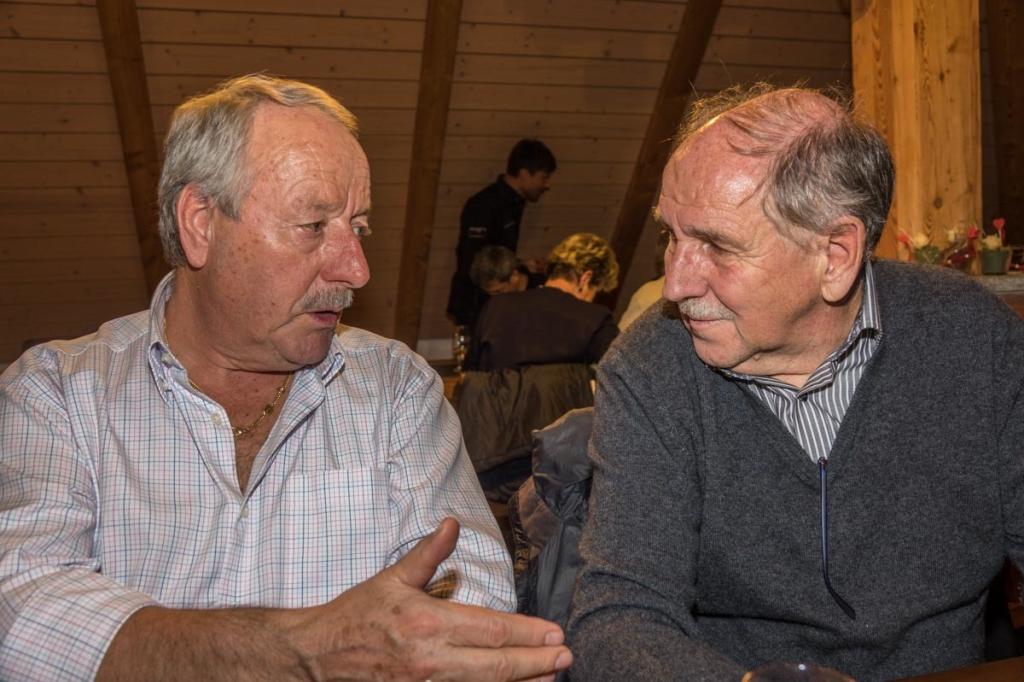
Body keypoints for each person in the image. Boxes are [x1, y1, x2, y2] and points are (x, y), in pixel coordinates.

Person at [0, 75, 572, 681]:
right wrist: (300, 654)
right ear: (200, 223)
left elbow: (472, 596)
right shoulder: (57, 391)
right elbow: (21, 607)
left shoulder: (396, 388)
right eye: (313, 225)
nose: (356, 270)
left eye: (359, 227)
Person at [568, 84, 1024, 681]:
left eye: (717, 246)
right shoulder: (651, 367)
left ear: (835, 255)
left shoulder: (974, 337)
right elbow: (617, 618)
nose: (676, 284)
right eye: (672, 236)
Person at [466, 233, 619, 372]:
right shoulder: (596, 320)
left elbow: (471, 374)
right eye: (595, 291)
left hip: (495, 394)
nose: (592, 299)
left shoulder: (495, 307)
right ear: (586, 278)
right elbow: (623, 374)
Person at [446, 139, 557, 329]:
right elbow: (475, 260)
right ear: (524, 173)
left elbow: (496, 253)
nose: (547, 184)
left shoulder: (514, 203)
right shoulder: (485, 205)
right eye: (543, 177)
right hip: (476, 303)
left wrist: (522, 264)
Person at [470, 245, 546, 296]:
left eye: (498, 291)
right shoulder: (486, 302)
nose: (494, 298)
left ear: (514, 276)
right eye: (487, 293)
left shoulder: (543, 290)